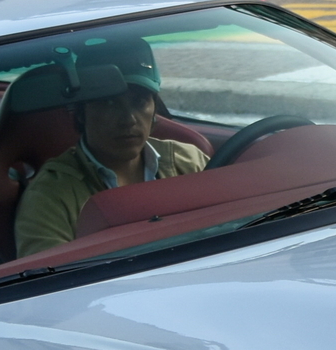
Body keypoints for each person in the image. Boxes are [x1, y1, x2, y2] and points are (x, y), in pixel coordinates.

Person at [12, 48, 207, 256]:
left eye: (139, 102)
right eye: (109, 103)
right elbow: (51, 280)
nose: (129, 119)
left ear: (154, 109)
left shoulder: (189, 161)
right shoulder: (50, 196)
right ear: (80, 113)